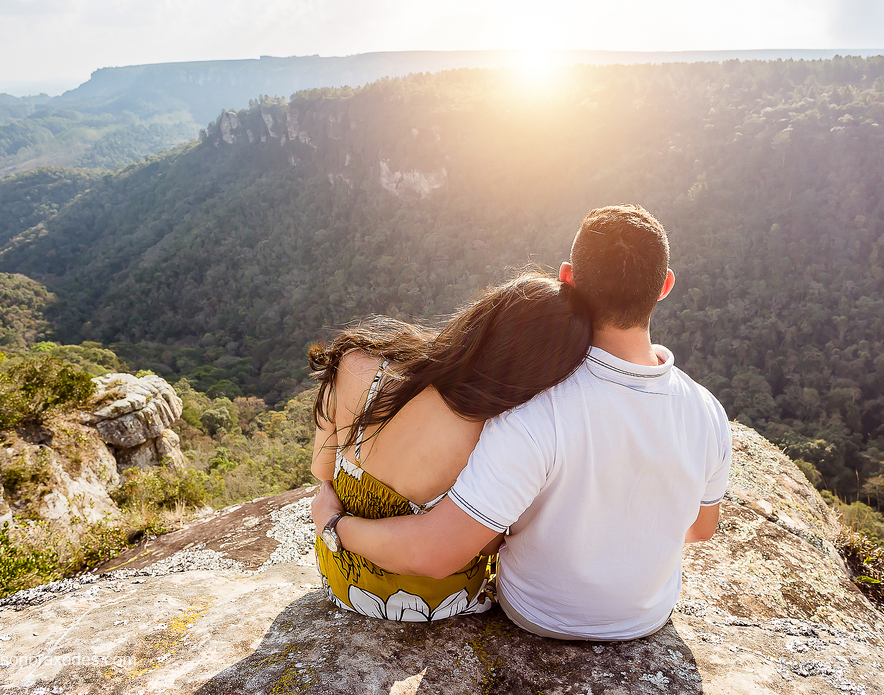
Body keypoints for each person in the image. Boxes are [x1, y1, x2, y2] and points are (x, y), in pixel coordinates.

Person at [312, 204, 732, 641]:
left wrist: (335, 525)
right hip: (646, 617)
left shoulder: (533, 407)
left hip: (535, 612)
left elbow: (439, 549)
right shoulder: (707, 410)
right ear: (665, 286)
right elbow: (700, 529)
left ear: (567, 278)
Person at [308, 271, 592, 621]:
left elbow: (322, 472)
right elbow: (486, 543)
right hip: (438, 604)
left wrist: (333, 520)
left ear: (484, 317)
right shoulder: (500, 434)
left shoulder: (355, 362)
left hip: (338, 582)